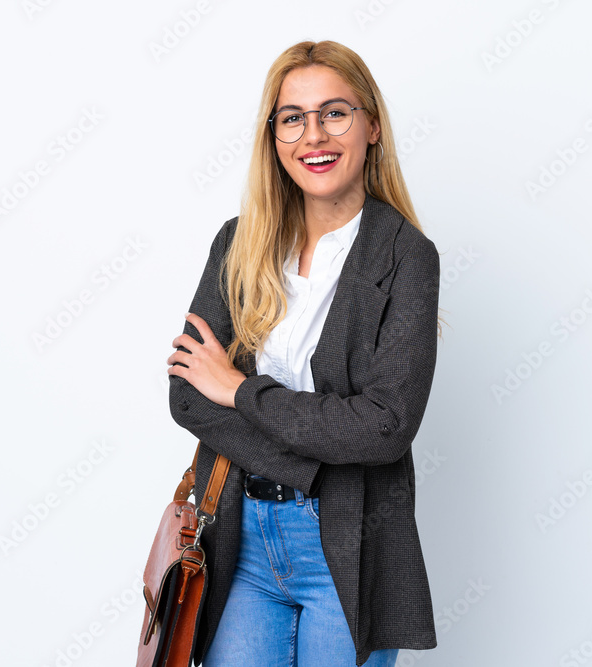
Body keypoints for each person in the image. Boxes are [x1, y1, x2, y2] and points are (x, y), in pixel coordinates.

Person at [166, 39, 443, 667]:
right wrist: (314, 447)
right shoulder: (239, 243)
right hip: (241, 543)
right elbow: (188, 393)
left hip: (346, 547)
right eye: (293, 117)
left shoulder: (406, 258)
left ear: (372, 125)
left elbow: (381, 430)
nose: (313, 134)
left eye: (335, 112)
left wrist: (239, 389)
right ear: (274, 137)